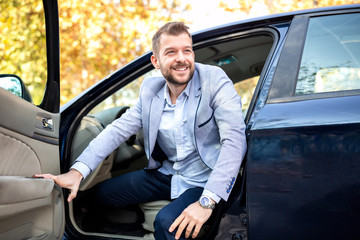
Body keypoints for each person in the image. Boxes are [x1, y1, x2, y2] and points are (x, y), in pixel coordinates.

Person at [35, 21, 247, 240]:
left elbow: (235, 140)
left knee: (167, 223)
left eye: (187, 50)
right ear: (156, 61)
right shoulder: (150, 91)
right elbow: (116, 131)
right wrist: (77, 172)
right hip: (168, 174)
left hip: (204, 179)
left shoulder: (214, 80)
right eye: (171, 52)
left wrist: (206, 202)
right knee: (96, 195)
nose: (182, 58)